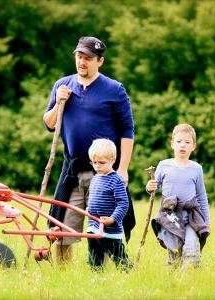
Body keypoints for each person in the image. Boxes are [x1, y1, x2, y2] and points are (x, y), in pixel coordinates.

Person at [43, 36, 135, 264]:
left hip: (104, 173)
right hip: (72, 169)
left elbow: (127, 131)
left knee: (102, 227)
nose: (82, 62)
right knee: (62, 228)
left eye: (88, 58)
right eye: (79, 57)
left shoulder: (115, 89)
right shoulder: (62, 85)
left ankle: (100, 275)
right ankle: (62, 278)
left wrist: (122, 169)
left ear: (100, 61)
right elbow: (49, 123)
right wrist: (58, 103)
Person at [146, 124, 211, 268]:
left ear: (193, 146)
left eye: (187, 142)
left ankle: (188, 276)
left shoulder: (196, 169)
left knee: (192, 248)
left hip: (191, 218)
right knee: (174, 250)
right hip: (170, 216)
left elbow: (201, 197)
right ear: (172, 144)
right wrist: (149, 187)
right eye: (179, 141)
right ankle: (173, 279)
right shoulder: (164, 165)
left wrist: (207, 221)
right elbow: (154, 188)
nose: (183, 145)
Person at [86, 139, 132, 270]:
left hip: (110, 229)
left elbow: (123, 204)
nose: (97, 166)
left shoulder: (116, 180)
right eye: (94, 162)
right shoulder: (95, 177)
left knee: (119, 257)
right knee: (94, 256)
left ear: (112, 160)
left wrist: (112, 219)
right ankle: (97, 277)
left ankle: (128, 273)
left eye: (101, 162)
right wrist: (89, 208)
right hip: (94, 226)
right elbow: (94, 197)